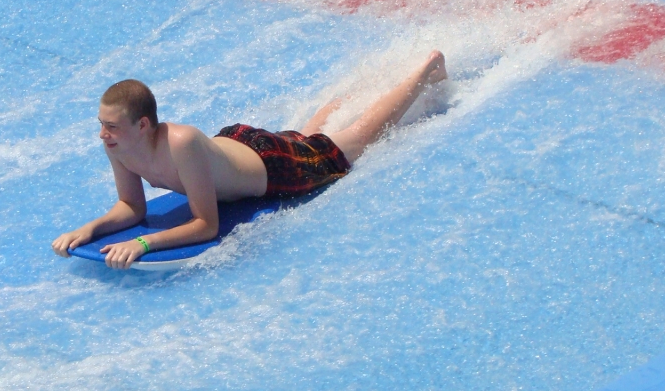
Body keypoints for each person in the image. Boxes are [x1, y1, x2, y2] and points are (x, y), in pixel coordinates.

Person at [52, 50, 448, 269]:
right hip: (239, 146)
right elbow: (131, 206)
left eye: (112, 126)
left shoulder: (182, 143)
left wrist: (144, 243)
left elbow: (206, 226)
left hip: (274, 167)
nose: (102, 134)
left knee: (353, 142)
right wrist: (90, 229)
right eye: (101, 125)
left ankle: (425, 70)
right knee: (308, 138)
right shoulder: (118, 146)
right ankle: (349, 96)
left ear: (142, 124)